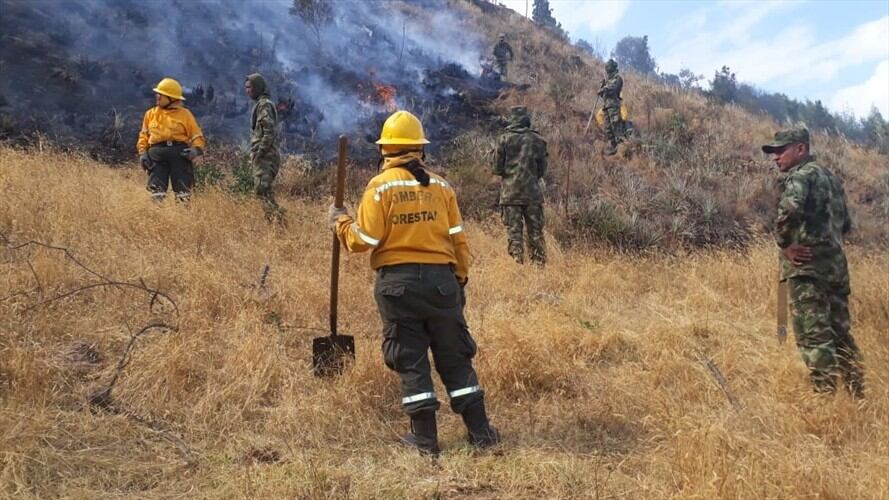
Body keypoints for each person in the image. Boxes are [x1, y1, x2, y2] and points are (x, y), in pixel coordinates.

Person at [329, 110, 500, 455]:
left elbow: (364, 240)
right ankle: (481, 434)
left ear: (385, 151)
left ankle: (424, 440)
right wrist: (458, 281)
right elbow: (459, 241)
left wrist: (341, 223)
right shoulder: (442, 187)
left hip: (398, 286)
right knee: (454, 357)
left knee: (410, 359)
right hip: (443, 283)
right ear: (420, 149)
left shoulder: (380, 187)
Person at [764, 128, 864, 398]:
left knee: (813, 337)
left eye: (781, 150)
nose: (775, 158)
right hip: (836, 271)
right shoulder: (832, 179)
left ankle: (826, 403)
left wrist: (786, 245)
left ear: (800, 149)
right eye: (773, 152)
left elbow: (790, 210)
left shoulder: (801, 176)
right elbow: (846, 225)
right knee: (841, 335)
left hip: (807, 271)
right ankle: (859, 398)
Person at [136, 77, 205, 201]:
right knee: (156, 192)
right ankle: (157, 217)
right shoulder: (150, 114)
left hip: (180, 155)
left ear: (172, 98)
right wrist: (143, 153)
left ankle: (183, 216)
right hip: (156, 155)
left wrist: (196, 150)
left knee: (183, 191)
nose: (157, 97)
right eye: (158, 94)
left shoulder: (185, 114)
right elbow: (144, 135)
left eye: (161, 95)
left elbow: (196, 135)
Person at [494, 106, 548, 265]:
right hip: (532, 194)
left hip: (510, 195)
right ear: (526, 120)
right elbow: (542, 169)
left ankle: (516, 267)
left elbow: (497, 168)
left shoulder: (503, 139)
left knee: (514, 234)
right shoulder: (538, 140)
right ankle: (539, 268)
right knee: (536, 233)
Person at [245, 73, 283, 222]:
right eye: (246, 88)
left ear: (257, 87)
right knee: (262, 191)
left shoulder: (264, 104)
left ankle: (278, 222)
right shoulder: (261, 104)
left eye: (249, 87)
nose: (247, 91)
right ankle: (274, 221)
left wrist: (260, 152)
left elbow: (269, 131)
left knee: (262, 189)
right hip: (263, 155)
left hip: (266, 156)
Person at [598, 59, 624, 155]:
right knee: (608, 128)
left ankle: (622, 147)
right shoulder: (607, 80)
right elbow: (603, 95)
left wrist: (604, 88)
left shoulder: (618, 78)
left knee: (616, 125)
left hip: (614, 105)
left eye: (609, 66)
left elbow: (614, 88)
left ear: (613, 67)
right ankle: (613, 146)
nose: (607, 69)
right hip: (606, 107)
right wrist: (602, 88)